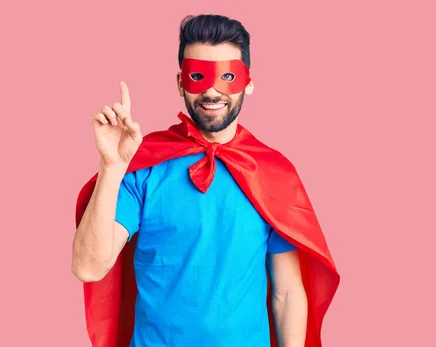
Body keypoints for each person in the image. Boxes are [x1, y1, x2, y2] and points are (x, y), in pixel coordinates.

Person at [71, 14, 339, 347]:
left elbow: (286, 293)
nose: (212, 90)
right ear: (181, 82)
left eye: (227, 76)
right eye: (198, 76)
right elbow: (89, 268)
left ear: (248, 82)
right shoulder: (142, 166)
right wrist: (111, 166)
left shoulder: (273, 174)